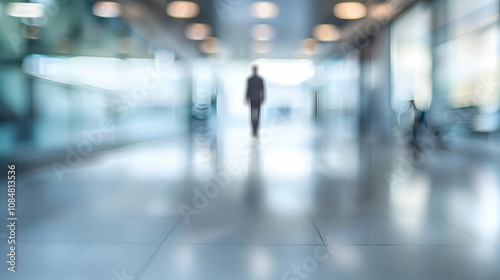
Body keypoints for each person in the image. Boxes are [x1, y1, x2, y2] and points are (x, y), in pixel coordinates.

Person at [245, 65, 265, 137]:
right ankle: (254, 130)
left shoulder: (259, 79)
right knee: (253, 115)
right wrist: (246, 98)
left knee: (257, 115)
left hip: (257, 99)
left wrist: (263, 98)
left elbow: (262, 90)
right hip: (253, 99)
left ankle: (256, 130)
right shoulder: (250, 79)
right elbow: (248, 89)